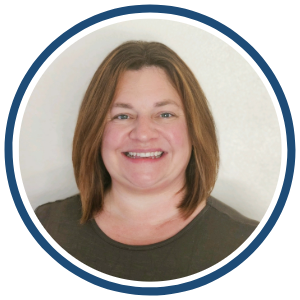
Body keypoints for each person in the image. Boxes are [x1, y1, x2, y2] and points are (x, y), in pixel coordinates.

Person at [35, 41, 258, 281]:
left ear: (195, 129)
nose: (142, 133)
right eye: (122, 115)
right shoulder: (44, 228)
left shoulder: (250, 245)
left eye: (164, 114)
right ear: (95, 131)